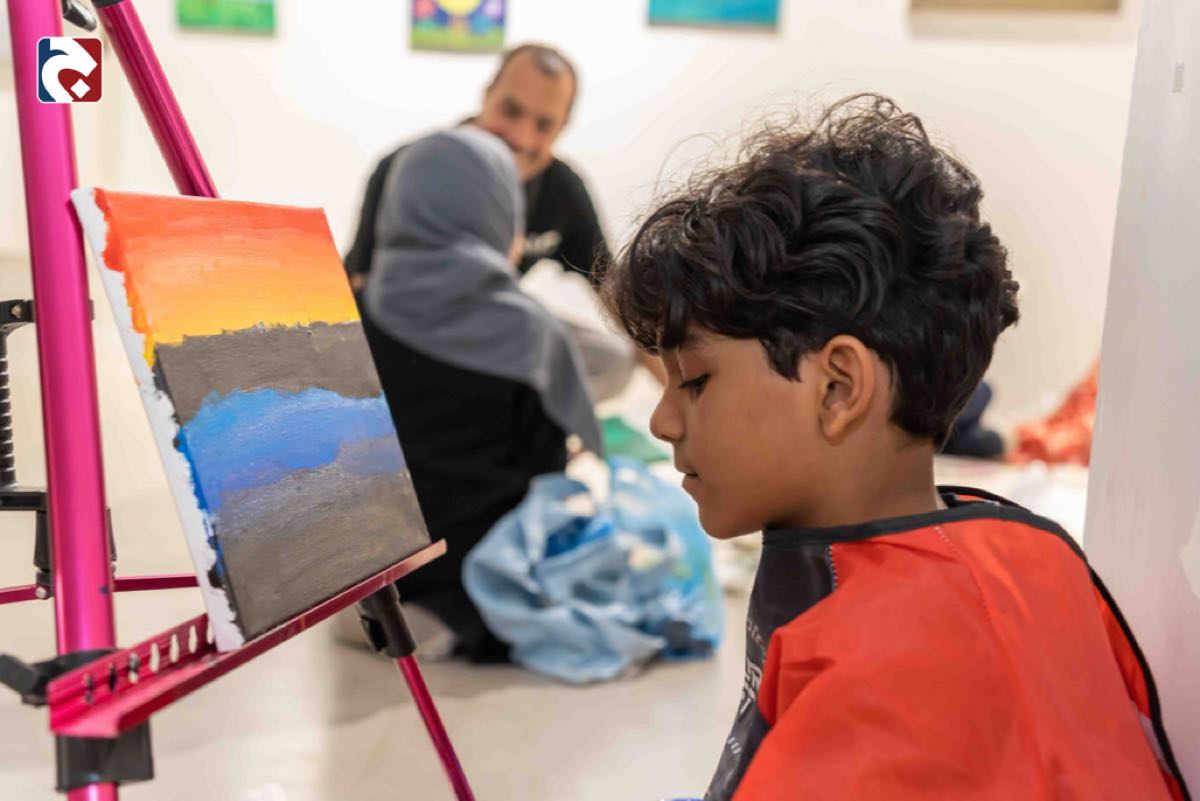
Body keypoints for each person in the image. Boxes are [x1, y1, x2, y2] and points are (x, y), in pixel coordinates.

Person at [598, 95, 1190, 801]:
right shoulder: (1019, 552)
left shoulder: (892, 679)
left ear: (838, 388)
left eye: (694, 381)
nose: (662, 421)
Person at [360, 127, 601, 662]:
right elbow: (545, 477)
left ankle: (398, 610)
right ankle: (463, 615)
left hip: (375, 571)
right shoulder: (531, 333)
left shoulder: (354, 316)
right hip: (483, 574)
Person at [345, 43, 607, 284]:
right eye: (511, 111)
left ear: (562, 129)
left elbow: (608, 284)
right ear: (487, 94)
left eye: (544, 125)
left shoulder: (563, 189)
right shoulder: (402, 169)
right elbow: (355, 283)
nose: (521, 137)